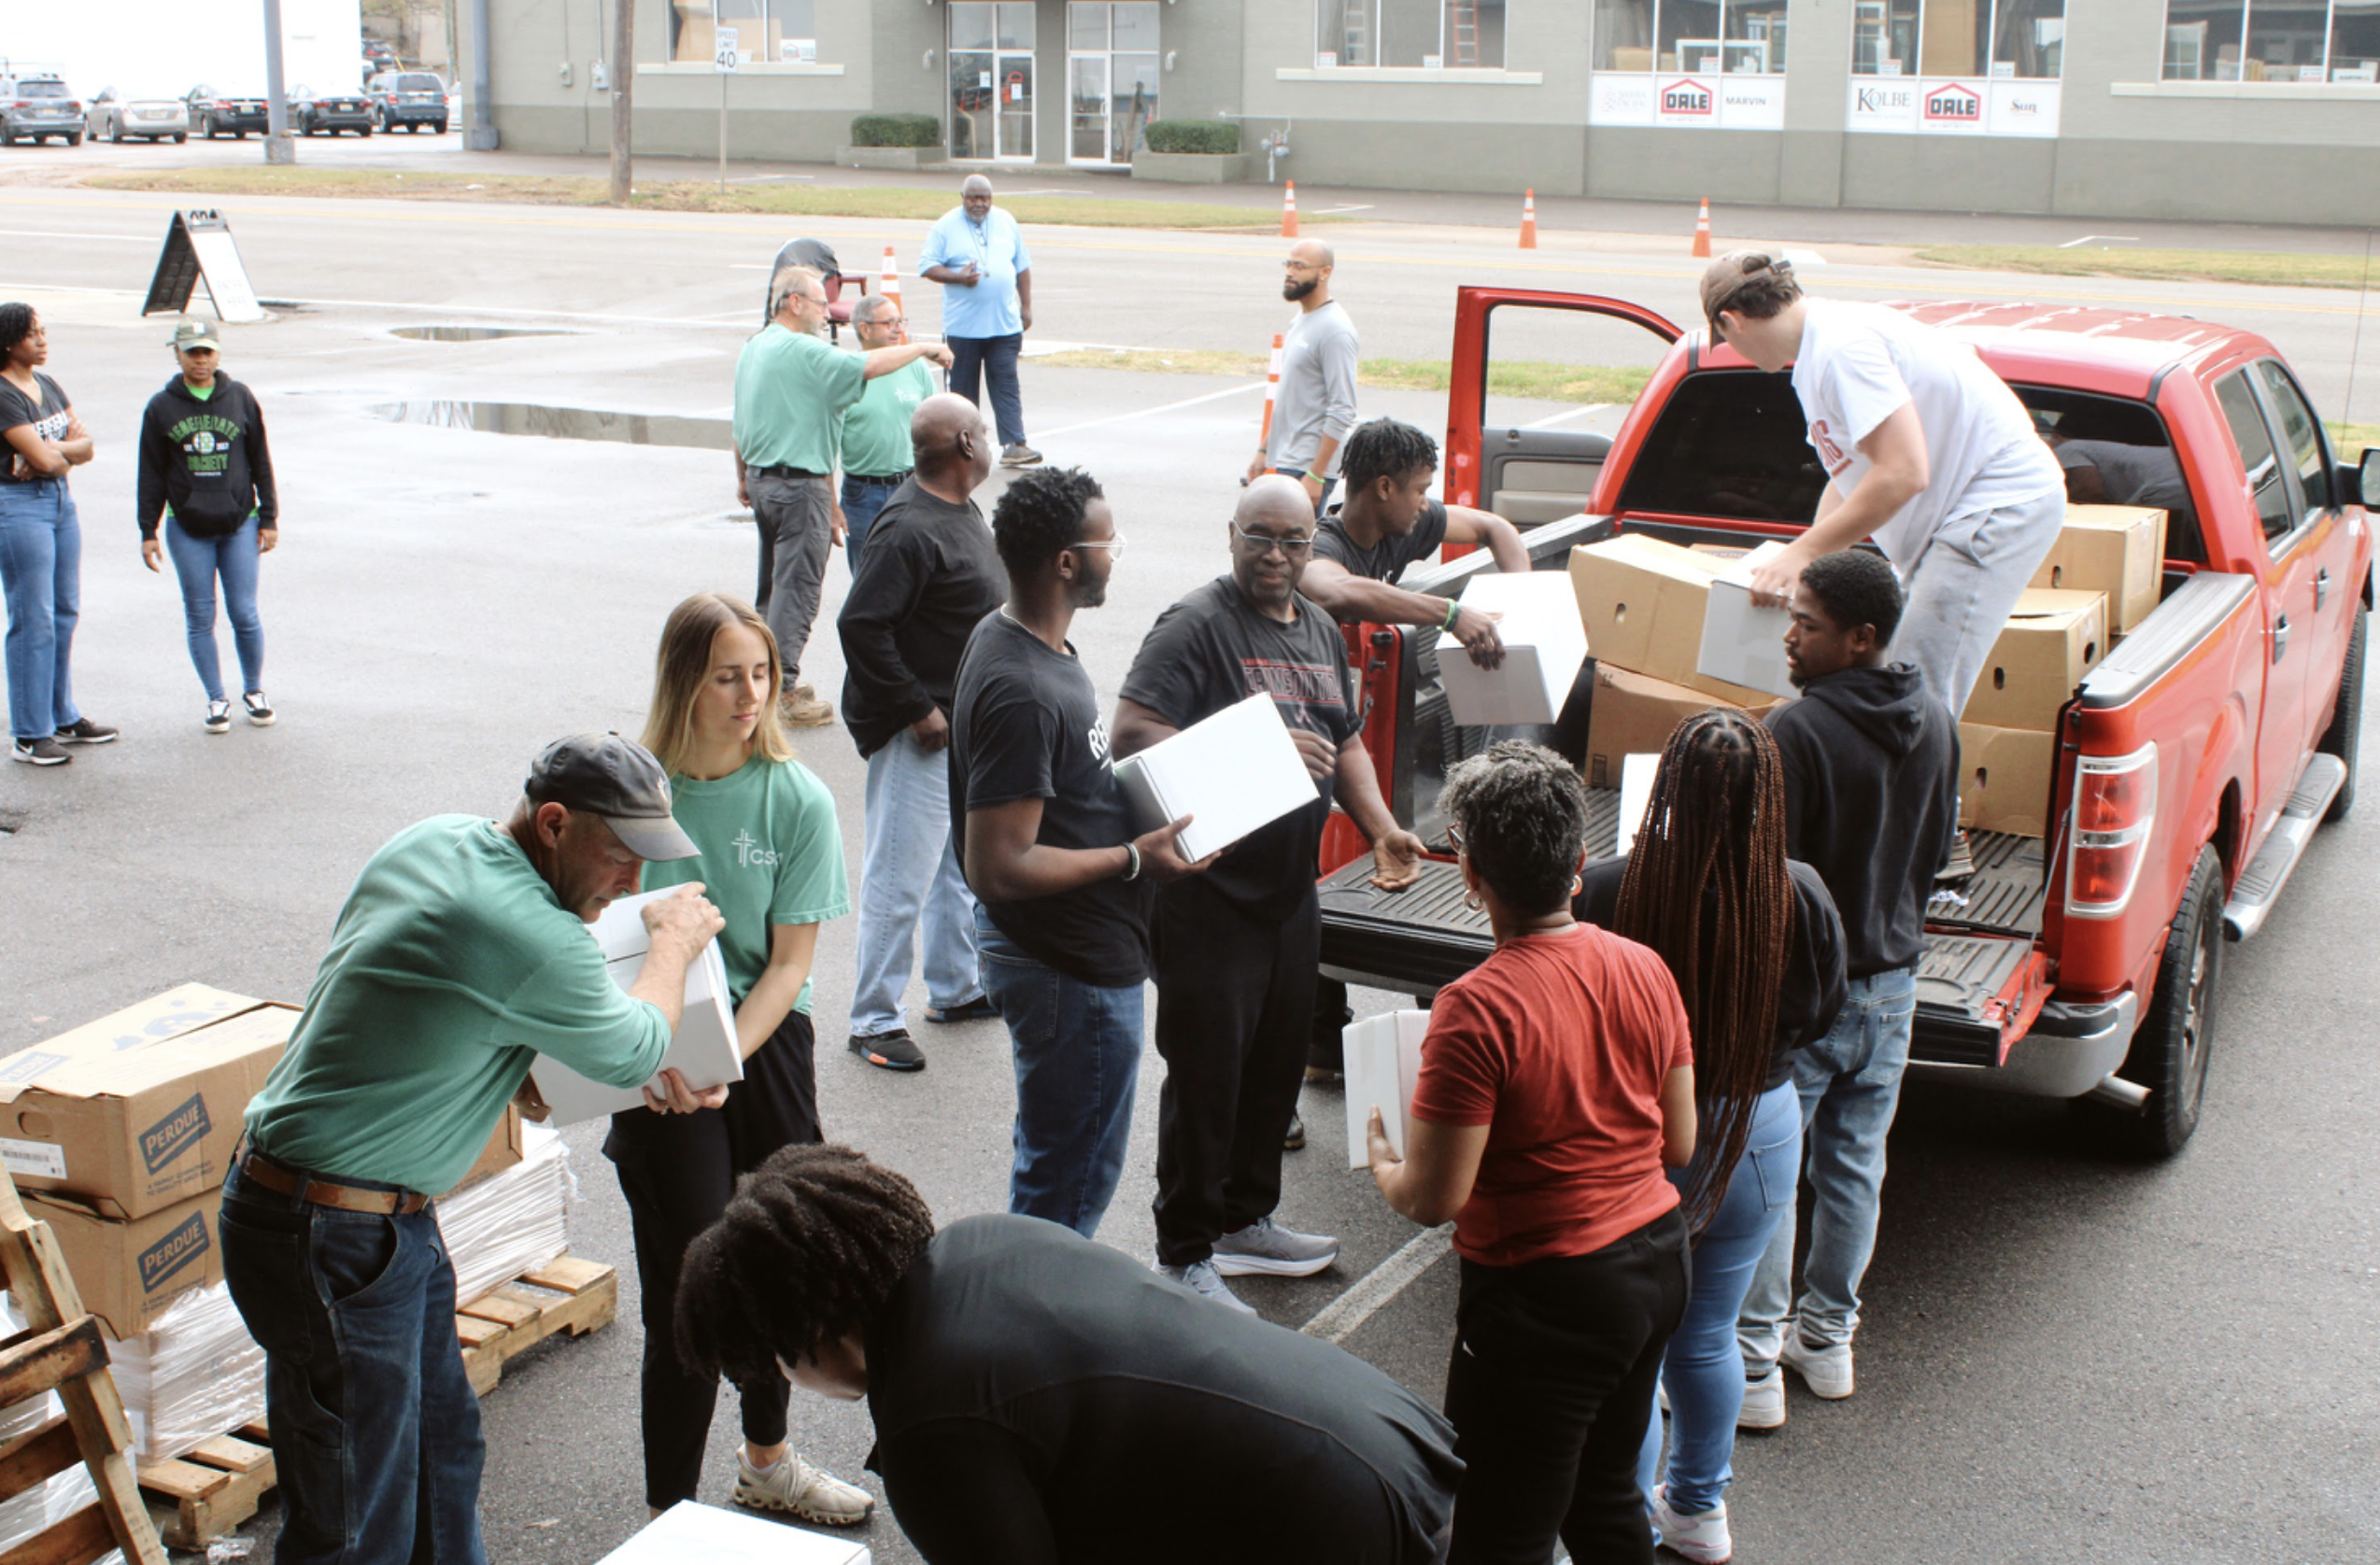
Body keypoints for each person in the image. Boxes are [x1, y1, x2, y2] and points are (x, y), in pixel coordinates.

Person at [224, 733, 729, 1565]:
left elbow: (460, 1036)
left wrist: (624, 1066)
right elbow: (636, 1042)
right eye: (623, 856)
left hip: (362, 1224)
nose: (637, 883)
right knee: (357, 1524)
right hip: (333, 1231)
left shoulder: (439, 841)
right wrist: (672, 944)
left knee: (441, 1459)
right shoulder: (525, 929)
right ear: (556, 823)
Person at [673, 1144, 1465, 1565]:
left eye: (772, 1362)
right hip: (1386, 1432)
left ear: (808, 1335)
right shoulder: (984, 1240)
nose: (783, 1380)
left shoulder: (931, 1422)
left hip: (1334, 1527)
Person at [1368, 740, 1696, 1565]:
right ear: (1580, 863)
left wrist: (1383, 1156)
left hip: (1546, 1298)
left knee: (1499, 1535)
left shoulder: (1477, 1007)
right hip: (1655, 1269)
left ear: (1472, 875)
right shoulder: (1645, 967)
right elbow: (1680, 1140)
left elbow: (1433, 1198)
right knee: (1603, 1501)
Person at [1115, 474, 1424, 1313]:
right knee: (1208, 1077)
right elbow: (1132, 733)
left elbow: (1346, 740)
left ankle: (1244, 1223)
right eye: (1262, 538)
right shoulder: (1195, 626)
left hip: (1290, 894)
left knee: (1276, 1067)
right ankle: (1183, 1253)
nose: (1278, 556)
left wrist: (1382, 825)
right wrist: (1254, 745)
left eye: (1294, 542)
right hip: (1209, 897)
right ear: (1231, 535)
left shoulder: (1321, 628)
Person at [603, 595, 872, 1527]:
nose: (750, 692)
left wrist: (720, 1059)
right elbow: (590, 938)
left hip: (762, 1042)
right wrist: (650, 1055)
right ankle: (666, 1513)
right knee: (681, 1289)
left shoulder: (795, 796)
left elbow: (789, 963)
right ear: (684, 679)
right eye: (727, 673)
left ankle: (769, 1461)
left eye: (761, 671)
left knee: (770, 1263)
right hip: (647, 1042)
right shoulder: (636, 797)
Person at [1574, 711, 1848, 1564]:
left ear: (1666, 790)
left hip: (1644, 1134)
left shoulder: (1616, 887)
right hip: (1761, 1132)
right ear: (1768, 795)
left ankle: (1628, 1523)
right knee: (1710, 1332)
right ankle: (1699, 1513)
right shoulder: (1797, 890)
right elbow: (1822, 1011)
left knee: (1636, 1348)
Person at [949, 466, 1211, 1237]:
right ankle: (1032, 1335)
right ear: (1067, 562)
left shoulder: (1025, 643)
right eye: (1107, 541)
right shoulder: (1023, 687)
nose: (1115, 552)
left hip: (1075, 957)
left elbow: (1065, 787)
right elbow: (997, 865)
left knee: (1057, 1151)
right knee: (1068, 1182)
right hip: (1069, 970)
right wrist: (1135, 858)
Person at [1736, 550, 1958, 1423]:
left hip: (1808, 995)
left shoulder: (1799, 730)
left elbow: (1767, 874)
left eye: (1808, 624)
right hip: (1893, 987)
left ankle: (1753, 1365)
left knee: (1769, 1174)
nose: (1789, 637)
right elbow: (1938, 854)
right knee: (1856, 1169)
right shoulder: (1935, 715)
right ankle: (1828, 1340)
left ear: (1860, 637)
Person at [1707, 252, 2064, 725]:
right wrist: (1811, 561)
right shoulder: (1820, 350)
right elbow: (1852, 474)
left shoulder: (1841, 349)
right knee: (1897, 686)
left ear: (1731, 322)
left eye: (1726, 341)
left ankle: (1923, 800)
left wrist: (1804, 552)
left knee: (1914, 703)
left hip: (1993, 508)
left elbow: (1903, 472)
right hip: (1959, 518)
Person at [1296, 414, 1534, 1091]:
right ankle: (1312, 1046)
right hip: (1300, 734)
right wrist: (1452, 613)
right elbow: (1334, 590)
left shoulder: (1408, 521)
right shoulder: (1325, 542)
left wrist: (1525, 606)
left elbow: (1496, 530)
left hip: (1349, 723)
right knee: (1309, 875)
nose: (1429, 504)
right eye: (1420, 490)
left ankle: (1331, 1048)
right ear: (1381, 487)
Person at [837, 394, 1004, 1073]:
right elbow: (861, 625)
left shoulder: (959, 511)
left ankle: (955, 988)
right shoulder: (906, 528)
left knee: (950, 869)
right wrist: (916, 708)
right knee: (899, 875)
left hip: (956, 724)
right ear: (965, 444)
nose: (991, 443)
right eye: (985, 433)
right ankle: (873, 1018)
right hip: (920, 732)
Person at [734, 265, 952, 728]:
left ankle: (765, 672)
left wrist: (743, 477)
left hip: (763, 478)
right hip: (799, 486)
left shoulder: (756, 347)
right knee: (798, 591)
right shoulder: (800, 348)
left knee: (772, 588)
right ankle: (782, 688)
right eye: (819, 306)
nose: (825, 317)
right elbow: (867, 366)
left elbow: (739, 420)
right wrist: (925, 348)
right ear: (794, 303)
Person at [136, 318, 279, 735]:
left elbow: (260, 460)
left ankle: (253, 690)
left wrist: (268, 516)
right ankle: (217, 698)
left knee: (245, 612)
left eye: (207, 352)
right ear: (177, 354)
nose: (201, 360)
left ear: (218, 354)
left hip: (239, 522)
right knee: (200, 615)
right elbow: (151, 473)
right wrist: (148, 529)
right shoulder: (161, 406)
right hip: (188, 526)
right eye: (192, 352)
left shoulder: (239, 398)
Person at [0, 302, 111, 767]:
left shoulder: (46, 383)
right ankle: (29, 732)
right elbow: (46, 460)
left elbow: (80, 446)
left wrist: (55, 451)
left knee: (64, 611)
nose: (43, 341)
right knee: (34, 617)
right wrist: (58, 453)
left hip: (59, 502)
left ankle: (62, 715)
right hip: (18, 508)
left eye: (44, 332)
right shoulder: (4, 394)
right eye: (33, 335)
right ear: (9, 342)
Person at [921, 175, 1040, 469]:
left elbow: (1022, 266)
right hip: (964, 328)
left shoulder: (1006, 221)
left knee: (1006, 382)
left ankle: (1015, 444)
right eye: (973, 197)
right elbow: (927, 266)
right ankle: (964, 447)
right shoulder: (945, 226)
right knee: (962, 391)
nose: (979, 203)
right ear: (962, 196)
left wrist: (1026, 307)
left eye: (984, 198)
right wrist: (958, 277)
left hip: (1004, 324)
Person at [1245, 239, 1357, 511]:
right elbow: (1292, 399)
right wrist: (1263, 451)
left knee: (1298, 550)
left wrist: (1317, 475)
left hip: (1308, 468)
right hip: (1287, 459)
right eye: (1288, 264)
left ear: (1325, 272)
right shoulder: (1302, 320)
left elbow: (1343, 408)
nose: (1290, 272)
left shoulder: (1335, 330)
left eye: (1299, 266)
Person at [836, 293, 934, 569]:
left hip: (911, 487)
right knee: (867, 571)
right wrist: (832, 505)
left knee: (915, 567)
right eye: (889, 323)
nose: (898, 328)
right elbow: (826, 444)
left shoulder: (915, 367)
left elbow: (936, 425)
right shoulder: (847, 373)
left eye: (900, 321)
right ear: (865, 329)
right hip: (863, 493)